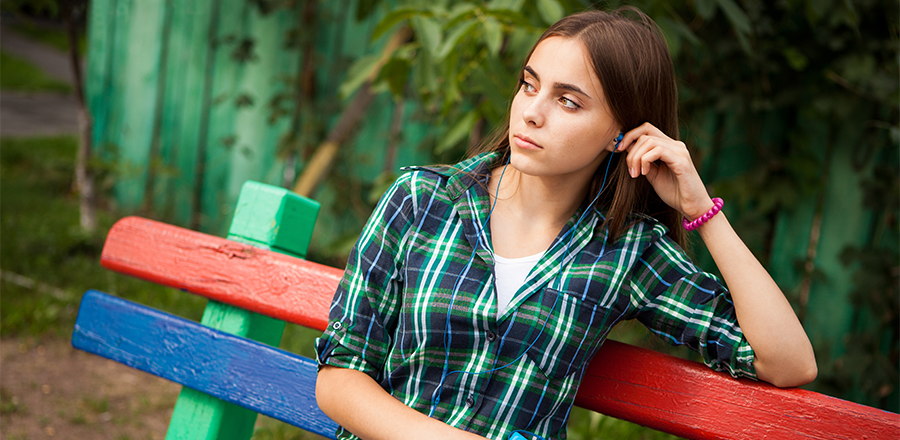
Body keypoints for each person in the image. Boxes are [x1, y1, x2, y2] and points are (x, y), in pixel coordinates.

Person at [315, 7, 817, 440]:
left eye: (568, 101)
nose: (532, 113)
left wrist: (701, 212)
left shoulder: (627, 252)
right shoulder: (423, 201)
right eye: (529, 85)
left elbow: (788, 363)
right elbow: (339, 377)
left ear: (623, 133)